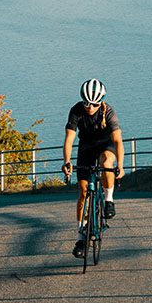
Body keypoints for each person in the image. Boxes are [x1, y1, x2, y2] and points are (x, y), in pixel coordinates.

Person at [61, 78, 125, 256]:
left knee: (106, 163)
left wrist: (120, 165)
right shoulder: (76, 110)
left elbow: (118, 141)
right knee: (82, 191)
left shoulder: (109, 112)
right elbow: (69, 139)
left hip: (106, 145)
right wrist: (67, 161)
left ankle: (108, 200)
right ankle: (81, 238)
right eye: (86, 102)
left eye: (94, 104)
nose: (89, 107)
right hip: (86, 147)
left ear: (100, 102)